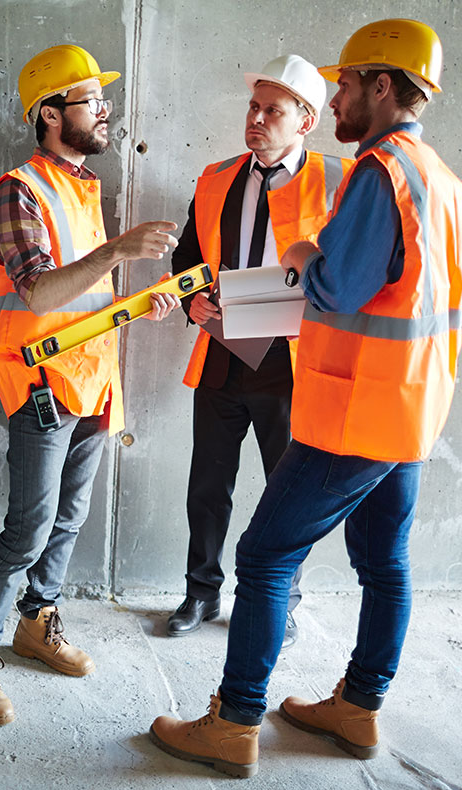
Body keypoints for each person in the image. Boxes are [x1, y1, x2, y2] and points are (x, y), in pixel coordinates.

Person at [150, 19, 462, 777]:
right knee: (385, 562)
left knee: (265, 555)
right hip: (412, 406)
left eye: (345, 85)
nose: (336, 100)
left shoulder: (377, 172)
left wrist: (303, 251)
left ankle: (234, 723)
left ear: (383, 86)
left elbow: (334, 288)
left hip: (355, 410)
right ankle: (358, 709)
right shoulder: (444, 181)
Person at [0, 44, 181, 726]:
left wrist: (140, 302)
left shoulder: (81, 187)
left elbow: (85, 299)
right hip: (43, 385)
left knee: (70, 519)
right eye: (91, 100)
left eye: (103, 99)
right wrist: (119, 250)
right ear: (50, 114)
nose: (106, 110)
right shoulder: (18, 190)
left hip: (93, 380)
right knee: (27, 530)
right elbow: (41, 290)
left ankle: (36, 620)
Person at [166, 56, 353, 647]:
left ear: (306, 121)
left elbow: (348, 274)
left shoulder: (340, 180)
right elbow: (187, 260)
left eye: (273, 110)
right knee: (208, 483)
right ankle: (200, 592)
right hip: (222, 352)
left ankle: (281, 603)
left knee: (288, 491)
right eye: (253, 107)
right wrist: (193, 300)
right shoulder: (216, 178)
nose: (257, 118)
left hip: (294, 363)